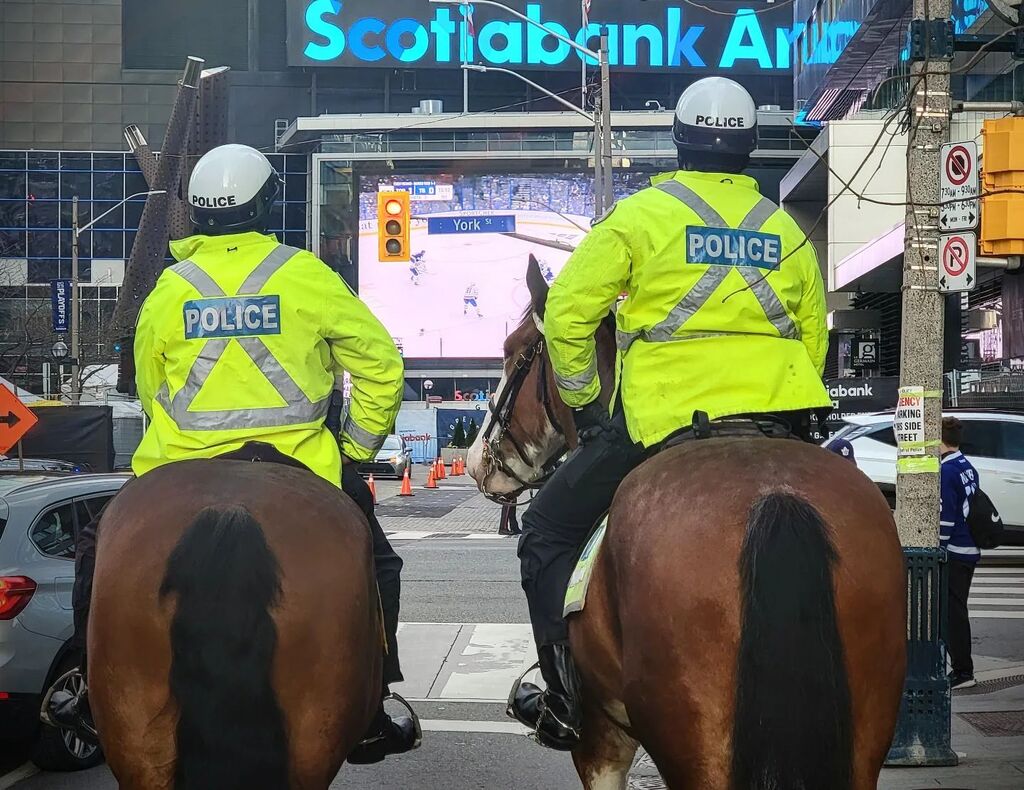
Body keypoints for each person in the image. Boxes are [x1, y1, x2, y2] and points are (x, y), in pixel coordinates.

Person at [49, 144, 418, 762]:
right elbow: (381, 366)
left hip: (179, 468)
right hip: (301, 468)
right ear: (267, 203)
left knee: (96, 551)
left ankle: (90, 688)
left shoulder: (171, 289)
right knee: (379, 563)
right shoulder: (305, 275)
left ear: (196, 211)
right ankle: (375, 698)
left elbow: (150, 387)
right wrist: (354, 448)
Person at [510, 77, 833, 749]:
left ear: (680, 140)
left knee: (545, 530)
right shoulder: (785, 231)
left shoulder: (639, 218)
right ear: (750, 146)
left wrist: (585, 405)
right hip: (780, 418)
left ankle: (565, 699)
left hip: (665, 419)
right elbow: (812, 337)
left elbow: (567, 315)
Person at [940, 416, 981, 689]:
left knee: (953, 613)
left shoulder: (947, 471)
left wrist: (939, 547)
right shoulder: (967, 466)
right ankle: (962, 668)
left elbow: (946, 516)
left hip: (956, 549)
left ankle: (963, 672)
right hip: (970, 546)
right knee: (957, 609)